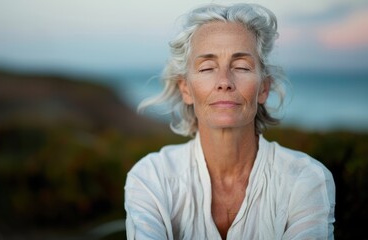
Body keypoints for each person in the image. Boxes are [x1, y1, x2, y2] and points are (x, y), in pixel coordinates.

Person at [124, 3, 335, 239]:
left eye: (241, 66)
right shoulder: (152, 178)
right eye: (207, 68)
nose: (224, 81)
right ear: (185, 88)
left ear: (264, 88)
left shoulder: (305, 180)